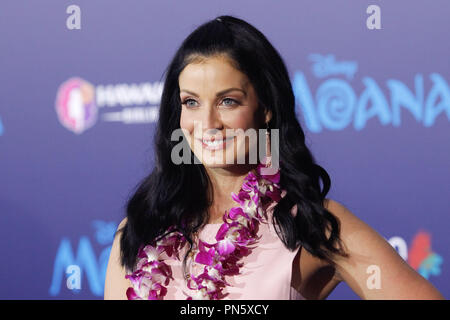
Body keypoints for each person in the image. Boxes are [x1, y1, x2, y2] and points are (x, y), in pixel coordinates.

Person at [104, 15, 444, 300]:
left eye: (228, 101)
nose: (207, 124)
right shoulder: (139, 230)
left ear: (265, 108)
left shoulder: (311, 226)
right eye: (191, 102)